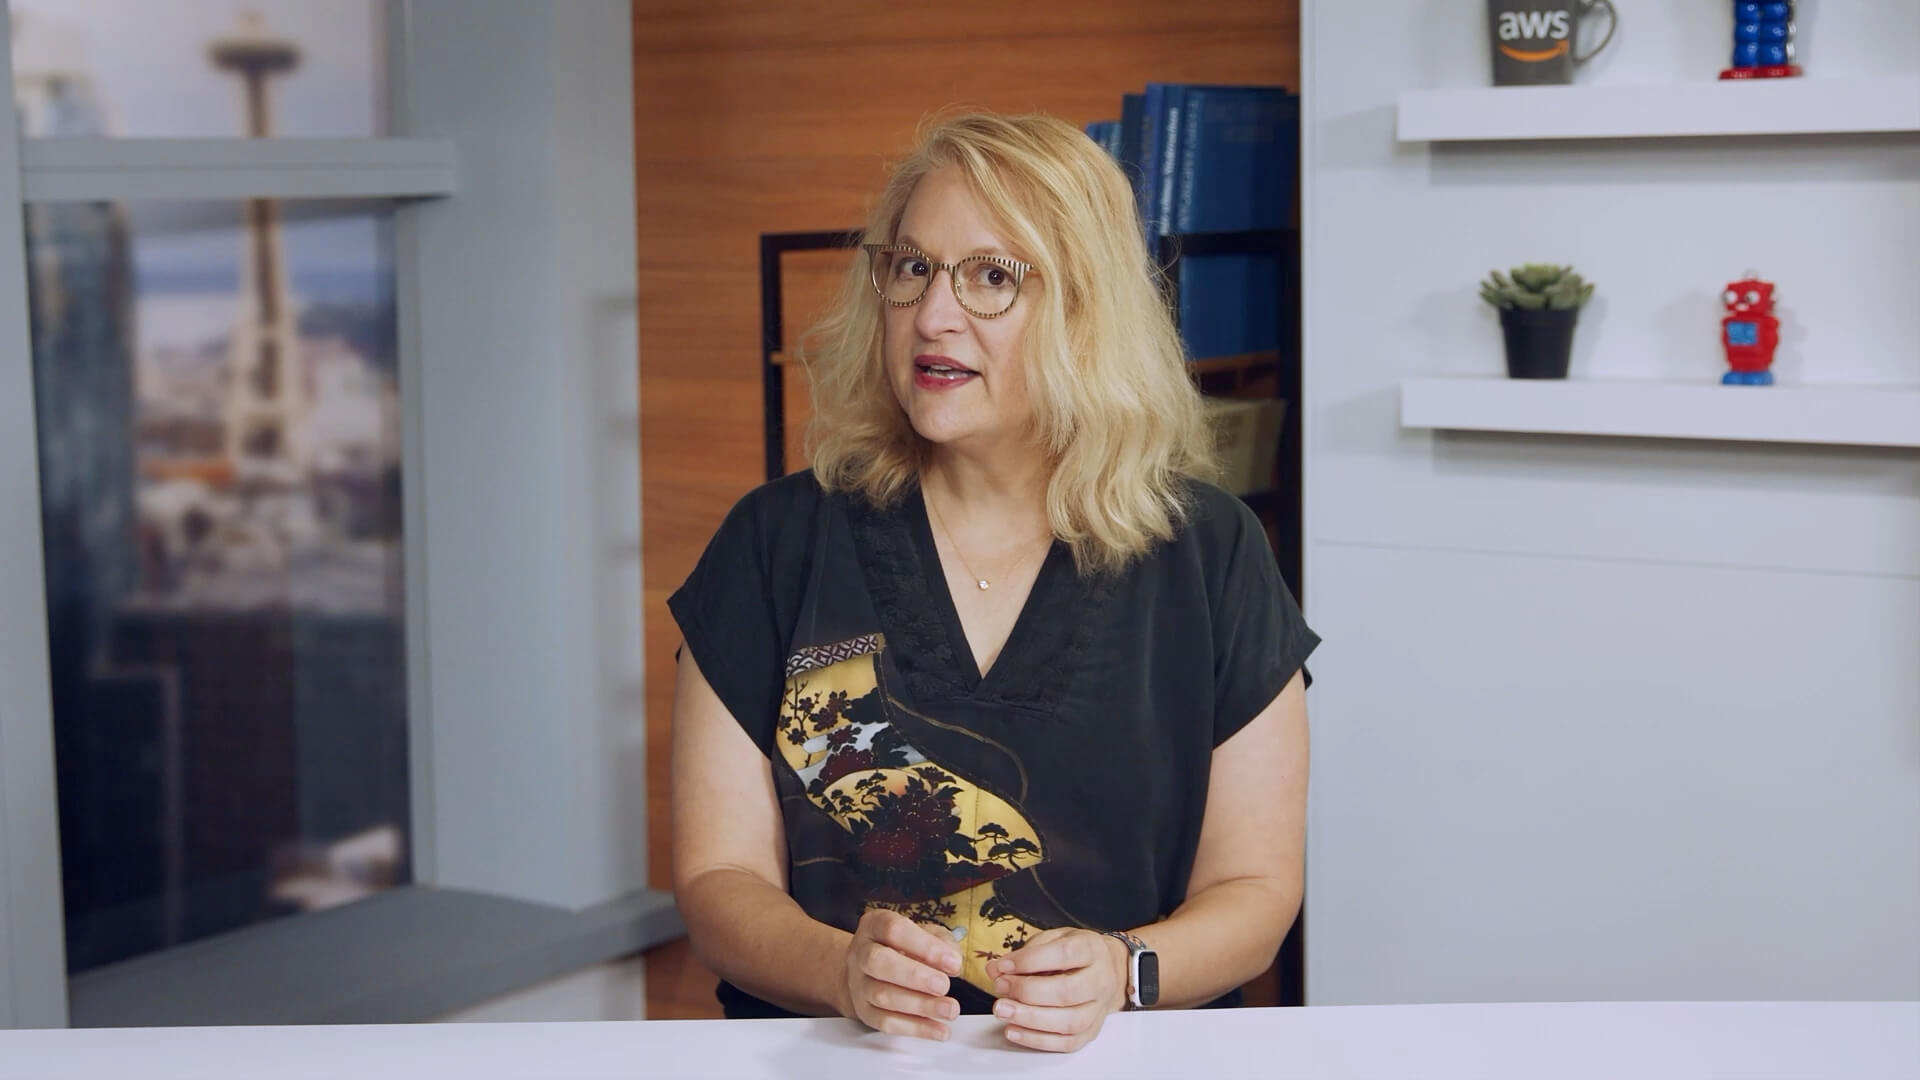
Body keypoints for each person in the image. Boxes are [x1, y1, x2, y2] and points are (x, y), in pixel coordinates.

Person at [668, 111, 1318, 1054]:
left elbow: (1256, 890)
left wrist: (1124, 969)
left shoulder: (1210, 551)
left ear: (1085, 310)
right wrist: (840, 972)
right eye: (913, 267)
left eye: (992, 277)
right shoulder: (773, 542)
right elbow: (718, 881)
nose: (934, 314)